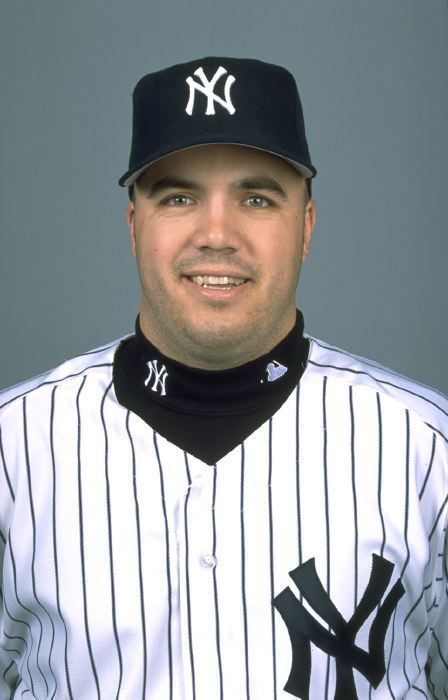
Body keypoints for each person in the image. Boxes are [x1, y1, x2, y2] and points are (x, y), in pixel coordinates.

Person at [0, 56, 446, 700]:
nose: (216, 234)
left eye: (257, 197)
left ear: (306, 229)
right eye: (178, 197)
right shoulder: (14, 450)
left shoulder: (427, 446)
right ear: (134, 227)